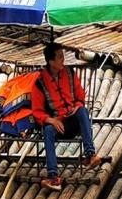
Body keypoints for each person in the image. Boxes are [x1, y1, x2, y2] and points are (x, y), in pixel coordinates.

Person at [31, 42, 103, 191]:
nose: (63, 59)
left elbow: (80, 95)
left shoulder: (69, 73)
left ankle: (90, 155)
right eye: (59, 57)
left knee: (82, 110)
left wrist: (77, 105)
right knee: (48, 130)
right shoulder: (39, 82)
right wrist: (51, 120)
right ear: (50, 62)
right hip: (58, 125)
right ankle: (53, 176)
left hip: (73, 120)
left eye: (62, 56)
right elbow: (37, 112)